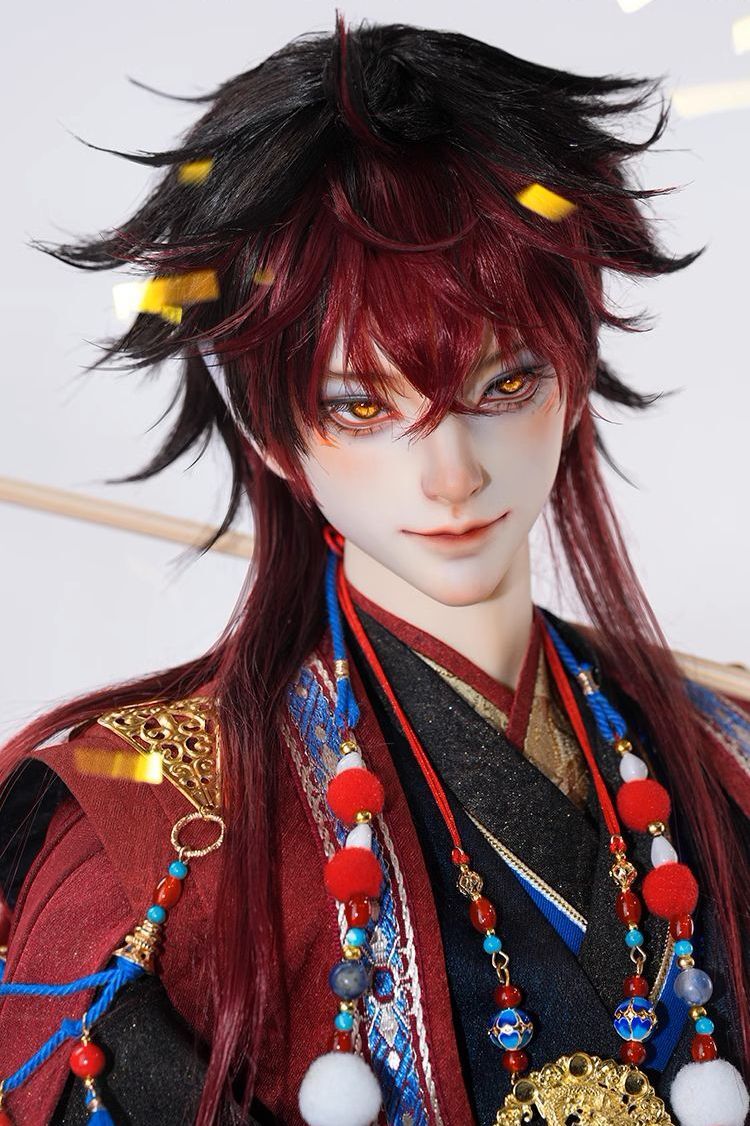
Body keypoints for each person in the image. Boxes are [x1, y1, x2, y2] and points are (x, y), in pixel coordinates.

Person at [0, 15, 748, 1126]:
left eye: (504, 386)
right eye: (362, 406)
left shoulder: (725, 755)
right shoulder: (152, 838)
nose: (451, 475)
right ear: (273, 435)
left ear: (574, 378)